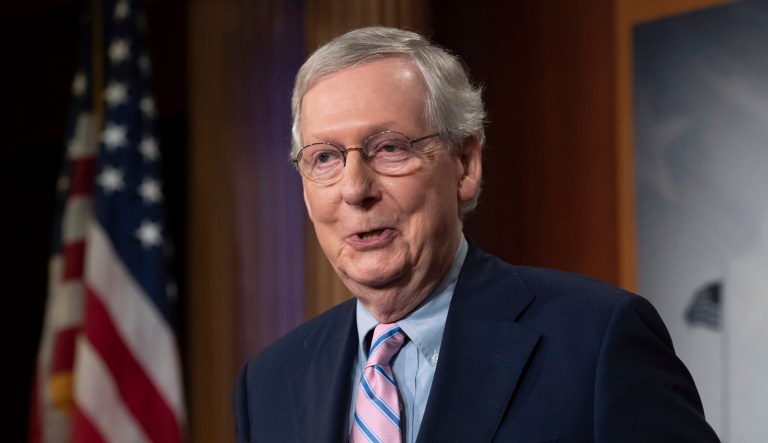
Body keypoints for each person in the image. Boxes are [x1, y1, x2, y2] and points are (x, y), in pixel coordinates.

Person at [233, 26, 720, 443]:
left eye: (389, 149)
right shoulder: (270, 383)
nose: (355, 189)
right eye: (325, 158)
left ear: (465, 163)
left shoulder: (596, 341)